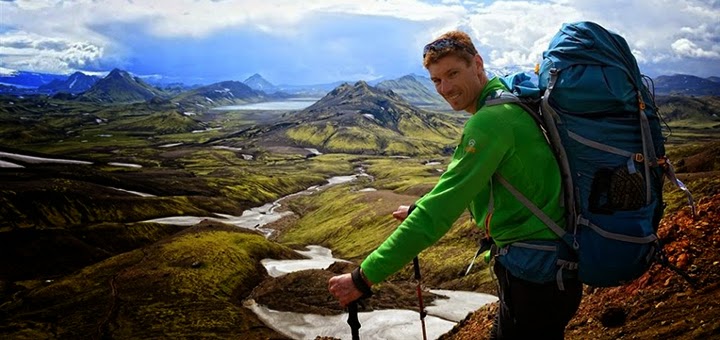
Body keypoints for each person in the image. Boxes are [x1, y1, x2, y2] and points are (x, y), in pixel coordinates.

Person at [328, 30, 582, 339]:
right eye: (436, 80)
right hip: (549, 270)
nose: (445, 88)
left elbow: (439, 212)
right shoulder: (508, 103)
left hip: (535, 279)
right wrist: (418, 206)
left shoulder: (490, 123)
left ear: (477, 64)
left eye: (452, 74)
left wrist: (362, 277)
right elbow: (475, 190)